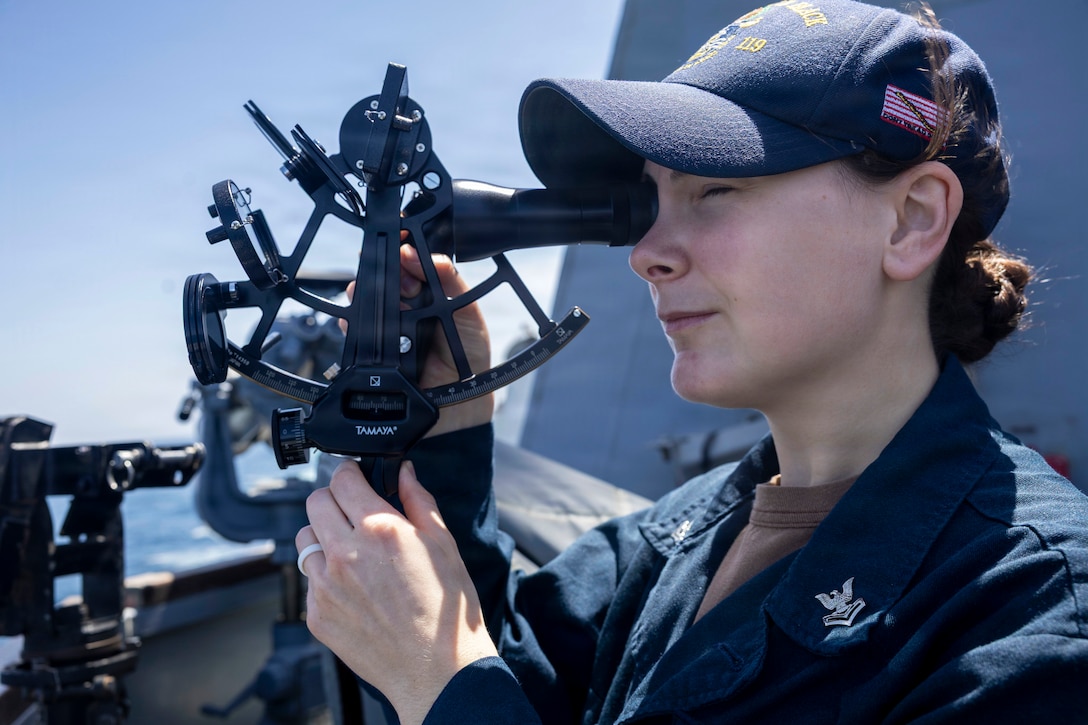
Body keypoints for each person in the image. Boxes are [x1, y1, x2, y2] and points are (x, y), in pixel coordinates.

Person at [294, 1, 1088, 722]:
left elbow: (466, 679)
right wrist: (450, 435)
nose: (647, 255)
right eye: (653, 200)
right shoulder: (671, 539)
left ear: (912, 221)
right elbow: (514, 677)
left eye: (715, 189)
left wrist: (445, 688)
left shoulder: (1031, 605)